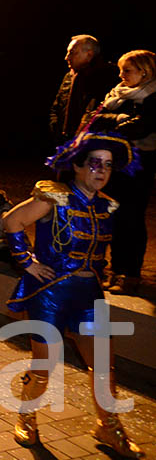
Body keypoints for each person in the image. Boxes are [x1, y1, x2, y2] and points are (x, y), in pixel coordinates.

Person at [4, 131, 143, 458]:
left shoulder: (106, 205)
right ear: (78, 166)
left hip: (88, 294)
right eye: (95, 163)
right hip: (52, 293)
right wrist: (29, 263)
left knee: (105, 366)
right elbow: (13, 221)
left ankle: (108, 426)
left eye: (108, 165)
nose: (102, 170)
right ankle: (27, 416)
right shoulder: (57, 196)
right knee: (44, 365)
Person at [90, 50, 156, 295]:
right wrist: (118, 118)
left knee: (132, 217)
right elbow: (94, 118)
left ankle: (131, 274)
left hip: (139, 163)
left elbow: (139, 127)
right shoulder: (118, 94)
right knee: (111, 214)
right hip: (113, 160)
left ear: (144, 71)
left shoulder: (152, 96)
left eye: (126, 70)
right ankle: (114, 270)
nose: (120, 75)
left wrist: (112, 122)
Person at [49, 35, 117, 144]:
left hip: (92, 141)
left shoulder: (107, 75)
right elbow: (57, 107)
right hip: (65, 141)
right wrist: (57, 130)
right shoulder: (70, 76)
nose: (67, 57)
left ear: (89, 54)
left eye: (72, 52)